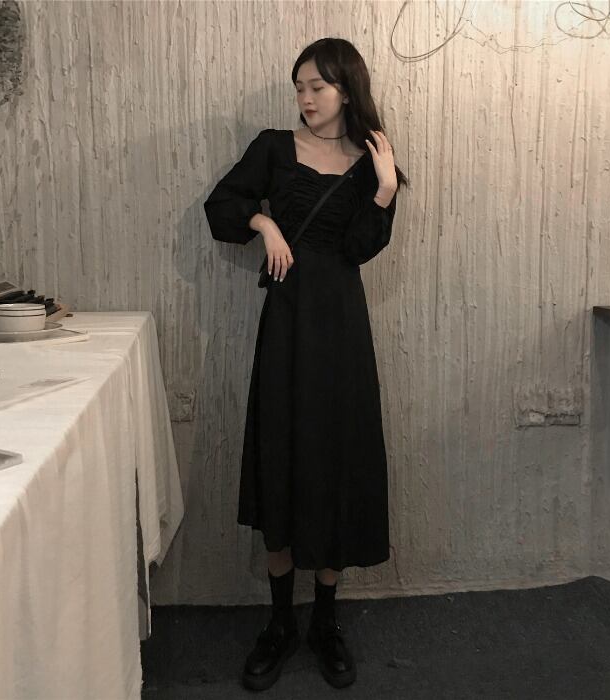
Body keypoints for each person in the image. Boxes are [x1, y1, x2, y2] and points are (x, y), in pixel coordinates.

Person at [204, 37, 409, 691]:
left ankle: (324, 621)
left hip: (342, 326)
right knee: (283, 451)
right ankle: (279, 622)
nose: (306, 98)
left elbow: (359, 248)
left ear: (346, 88)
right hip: (288, 324)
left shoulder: (371, 160)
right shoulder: (273, 147)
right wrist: (265, 225)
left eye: (317, 86)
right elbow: (221, 207)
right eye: (299, 87)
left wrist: (383, 190)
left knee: (335, 457)